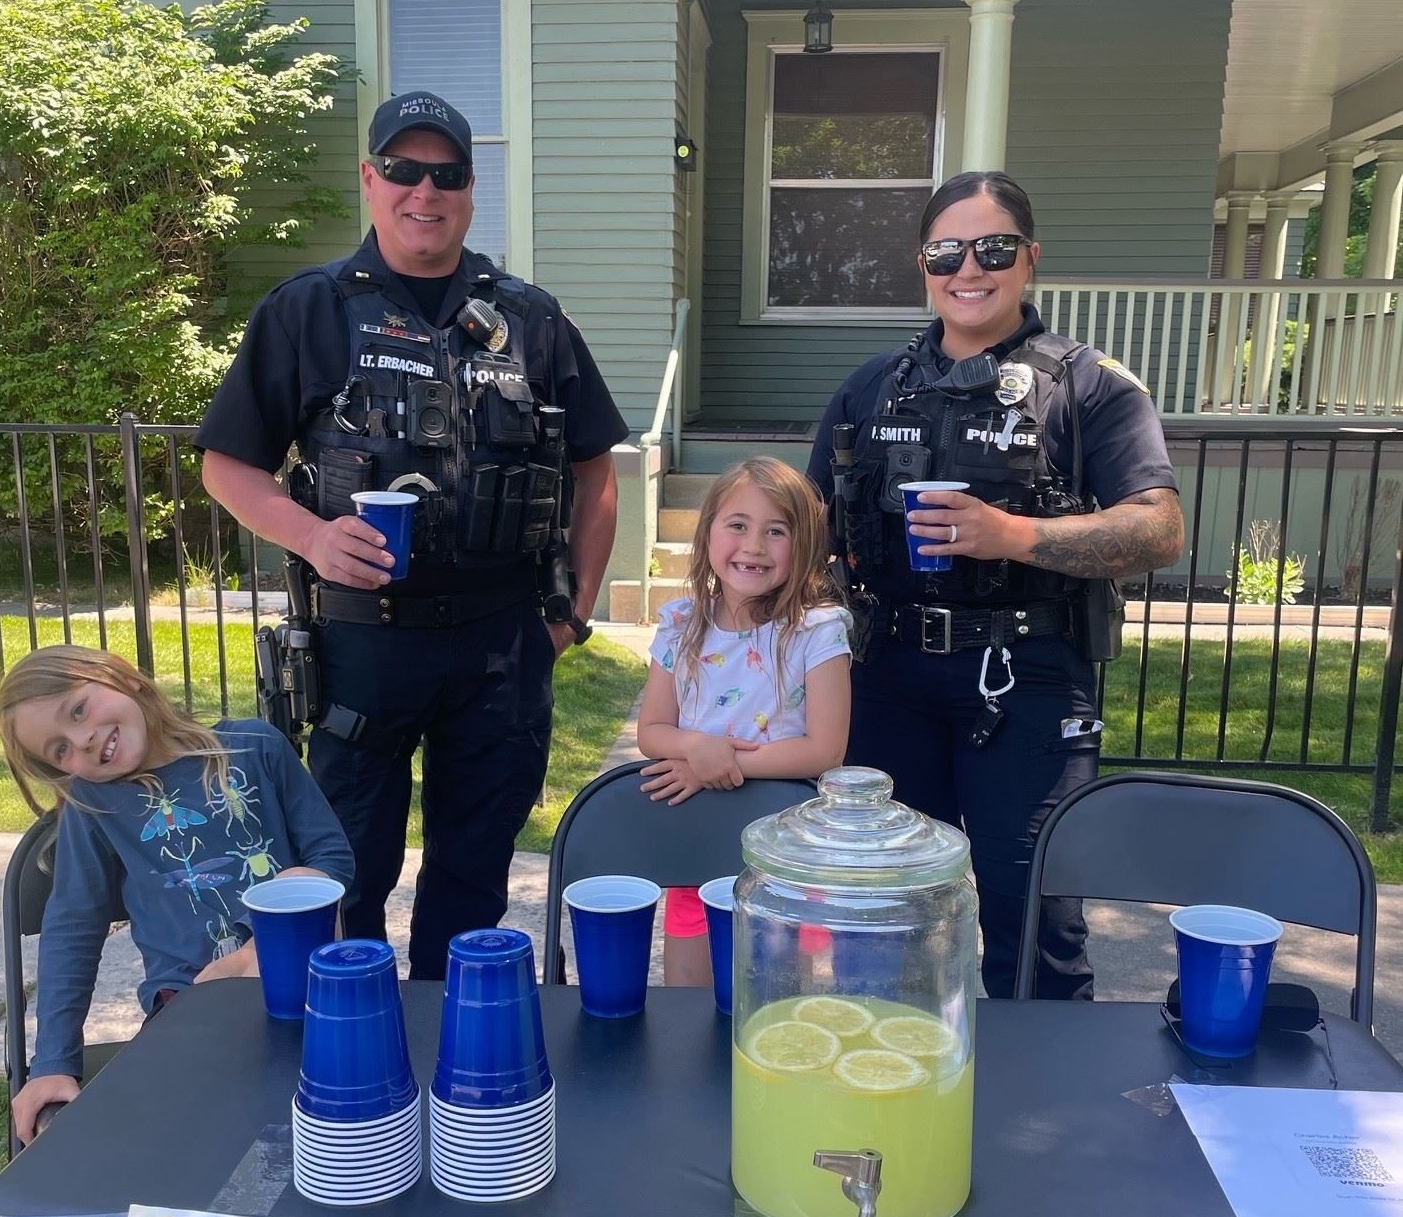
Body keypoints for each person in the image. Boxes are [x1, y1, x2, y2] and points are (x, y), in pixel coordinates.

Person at [196, 90, 627, 976]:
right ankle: (360, 1070)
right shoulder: (309, 309)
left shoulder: (532, 318)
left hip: (504, 642)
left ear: (471, 189)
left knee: (475, 874)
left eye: (447, 173)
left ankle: (458, 1063)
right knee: (347, 870)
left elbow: (593, 470)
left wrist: (572, 614)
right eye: (402, 169)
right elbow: (228, 464)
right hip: (364, 641)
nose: (423, 191)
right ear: (370, 177)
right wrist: (310, 538)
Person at [808, 171, 1184, 1001]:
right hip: (888, 678)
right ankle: (891, 1099)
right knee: (885, 918)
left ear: (1030, 259)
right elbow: (811, 538)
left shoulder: (1090, 386)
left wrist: (1014, 535)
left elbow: (1160, 528)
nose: (968, 268)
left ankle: (1032, 1117)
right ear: (923, 264)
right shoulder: (868, 389)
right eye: (946, 250)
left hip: (1030, 679)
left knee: (1035, 925)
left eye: (993, 247)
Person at [0, 644, 354, 1145]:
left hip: (311, 993)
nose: (84, 740)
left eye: (78, 710)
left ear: (123, 677)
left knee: (335, 1136)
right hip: (187, 1012)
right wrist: (53, 1062)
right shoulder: (93, 805)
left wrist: (258, 949)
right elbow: (72, 926)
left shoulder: (256, 748)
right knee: (193, 1152)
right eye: (60, 751)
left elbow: (332, 860)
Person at [637, 458, 852, 987]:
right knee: (685, 1002)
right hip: (697, 838)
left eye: (776, 531)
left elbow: (825, 749)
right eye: (738, 525)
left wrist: (718, 763)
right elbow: (652, 731)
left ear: (803, 546)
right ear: (708, 531)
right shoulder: (680, 625)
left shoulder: (818, 632)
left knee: (778, 1001)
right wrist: (697, 746)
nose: (754, 546)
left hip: (786, 851)